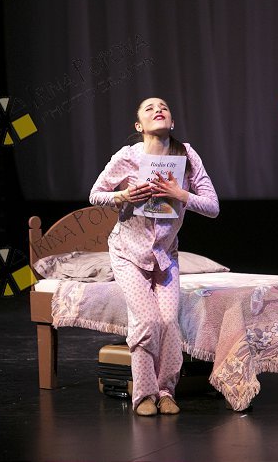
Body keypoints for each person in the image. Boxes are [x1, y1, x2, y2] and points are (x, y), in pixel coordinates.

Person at [89, 97, 219, 416]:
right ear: (139, 125)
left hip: (165, 255)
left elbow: (213, 207)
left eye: (163, 107)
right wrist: (122, 195)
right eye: (149, 108)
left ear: (171, 122)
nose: (158, 110)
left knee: (169, 323)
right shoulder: (128, 156)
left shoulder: (186, 155)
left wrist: (180, 195)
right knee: (147, 320)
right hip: (128, 252)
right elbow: (95, 194)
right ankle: (144, 394)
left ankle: (166, 391)